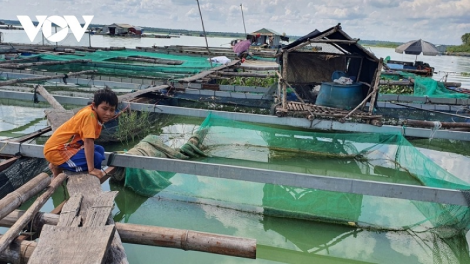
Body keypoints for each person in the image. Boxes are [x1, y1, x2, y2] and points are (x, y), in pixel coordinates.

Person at [43, 87, 118, 178]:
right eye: (105, 109)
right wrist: (91, 169)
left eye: (112, 110)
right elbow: (88, 142)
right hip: (56, 151)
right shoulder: (90, 116)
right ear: (94, 105)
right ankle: (57, 164)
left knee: (100, 150)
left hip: (66, 147)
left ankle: (57, 165)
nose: (108, 113)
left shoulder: (91, 111)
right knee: (96, 158)